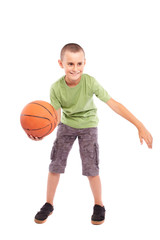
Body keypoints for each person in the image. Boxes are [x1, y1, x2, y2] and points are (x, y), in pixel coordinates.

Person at [29, 43, 153, 225]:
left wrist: (139, 125)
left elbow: (114, 104)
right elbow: (55, 119)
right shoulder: (55, 88)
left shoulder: (90, 82)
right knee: (55, 164)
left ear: (84, 63)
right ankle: (48, 204)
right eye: (70, 64)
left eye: (79, 64)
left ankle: (99, 205)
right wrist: (42, 134)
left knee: (91, 168)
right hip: (67, 125)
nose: (75, 68)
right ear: (60, 63)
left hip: (88, 126)